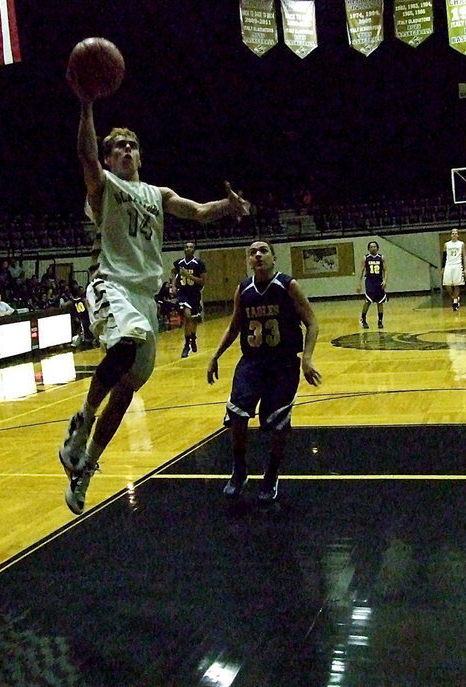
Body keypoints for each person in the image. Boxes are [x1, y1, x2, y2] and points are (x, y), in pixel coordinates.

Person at [58, 83, 250, 515]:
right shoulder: (103, 185)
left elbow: (198, 211)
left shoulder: (158, 195)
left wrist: (228, 205)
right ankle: (81, 421)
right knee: (126, 343)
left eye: (132, 146)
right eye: (119, 147)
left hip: (145, 295)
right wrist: (87, 105)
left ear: (140, 155)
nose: (127, 151)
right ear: (109, 159)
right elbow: (85, 156)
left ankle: (86, 465)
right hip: (110, 283)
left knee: (126, 390)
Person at [207, 240, 321, 507]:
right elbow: (235, 326)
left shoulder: (288, 286)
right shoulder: (243, 289)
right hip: (252, 363)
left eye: (263, 251)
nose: (257, 255)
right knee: (236, 415)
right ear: (249, 260)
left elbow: (312, 323)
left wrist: (307, 358)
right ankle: (239, 470)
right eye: (252, 252)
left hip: (283, 365)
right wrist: (215, 355)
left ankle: (271, 475)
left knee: (277, 424)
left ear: (273, 258)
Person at [171, 241, 206, 358]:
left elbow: (203, 281)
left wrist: (188, 276)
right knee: (187, 316)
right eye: (186, 247)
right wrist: (174, 285)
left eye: (190, 247)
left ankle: (193, 337)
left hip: (194, 294)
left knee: (193, 319)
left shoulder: (199, 264)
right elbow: (174, 273)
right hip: (183, 293)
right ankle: (187, 345)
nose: (188, 249)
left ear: (194, 250)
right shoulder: (179, 263)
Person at [356, 241, 388, 329]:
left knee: (380, 301)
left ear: (377, 248)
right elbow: (361, 271)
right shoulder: (366, 258)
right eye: (371, 247)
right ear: (368, 249)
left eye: (374, 247)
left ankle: (380, 321)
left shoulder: (381, 258)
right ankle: (363, 318)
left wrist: (385, 280)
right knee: (368, 300)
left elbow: (385, 270)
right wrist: (359, 284)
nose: (373, 248)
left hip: (379, 281)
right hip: (370, 281)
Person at [442, 228, 466, 311]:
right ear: (451, 235)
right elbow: (444, 257)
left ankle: (455, 302)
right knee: (447, 284)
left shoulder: (461, 244)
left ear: (458, 235)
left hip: (458, 265)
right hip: (448, 265)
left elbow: (464, 257)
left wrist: (465, 268)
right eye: (453, 233)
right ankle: (454, 297)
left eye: (456, 233)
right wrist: (442, 268)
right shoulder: (446, 244)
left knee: (457, 284)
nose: (454, 234)